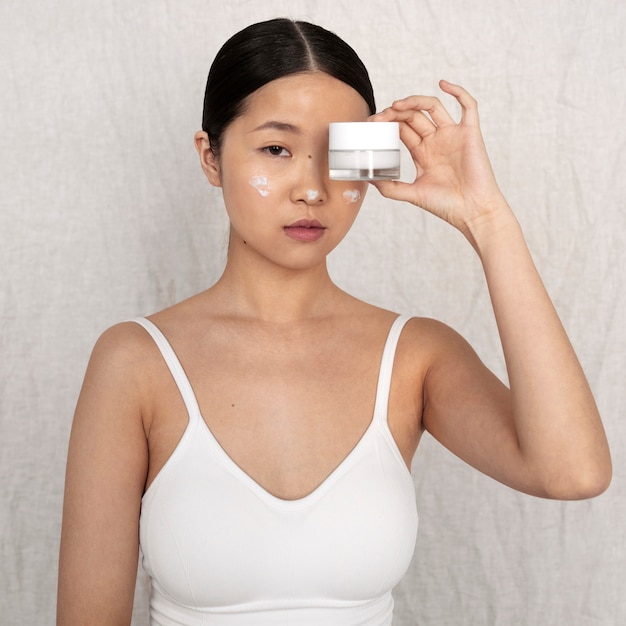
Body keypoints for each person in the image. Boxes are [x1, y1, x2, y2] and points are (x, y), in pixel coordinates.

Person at [57, 17, 611, 626]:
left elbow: (572, 471)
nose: (313, 189)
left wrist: (487, 219)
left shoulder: (416, 356)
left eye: (339, 154)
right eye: (277, 148)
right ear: (210, 157)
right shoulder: (134, 361)